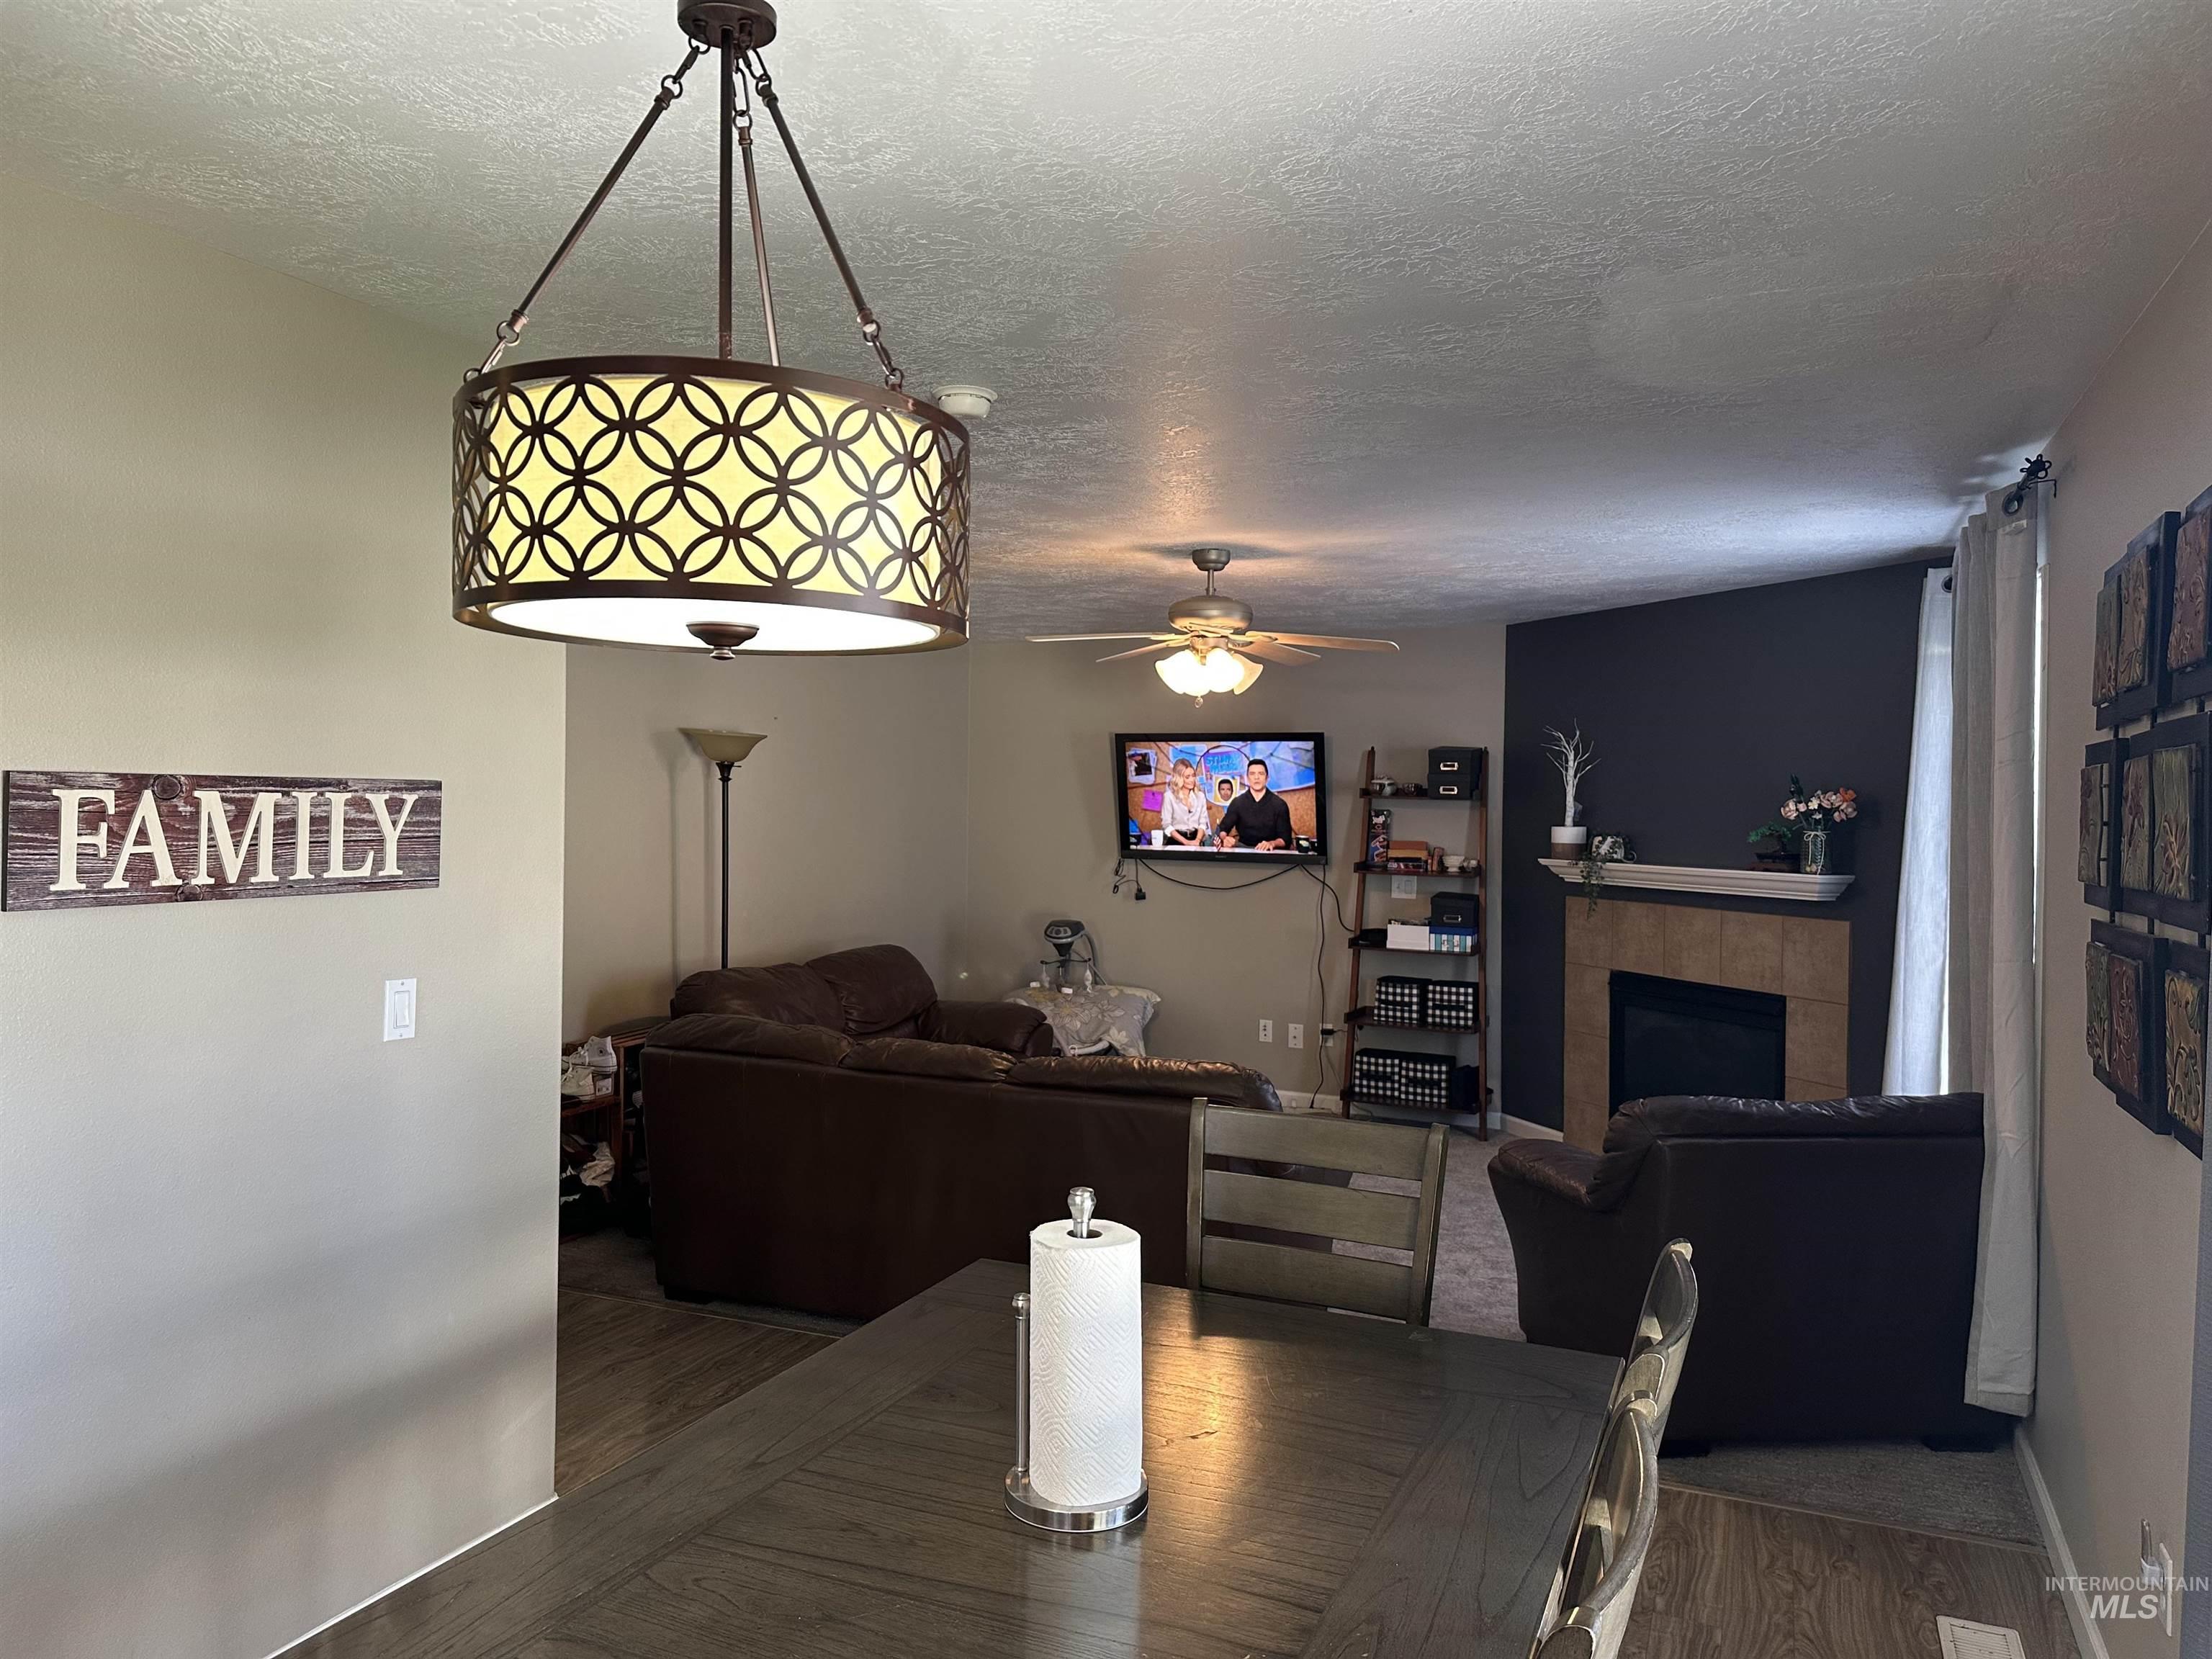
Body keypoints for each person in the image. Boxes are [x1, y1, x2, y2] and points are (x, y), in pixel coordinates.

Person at [1214, 758, 1295, 851]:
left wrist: (1272, 843)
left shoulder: (1280, 805)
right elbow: (1222, 829)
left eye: (1261, 774)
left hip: (1271, 853)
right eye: (1252, 774)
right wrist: (1225, 838)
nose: (1256, 777)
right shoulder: (1237, 803)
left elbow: (1285, 839)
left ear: (1267, 778)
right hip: (1244, 851)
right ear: (1248, 778)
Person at [1159, 757, 1213, 847]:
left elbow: (1203, 824)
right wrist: (1186, 842)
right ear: (1179, 778)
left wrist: (1197, 841)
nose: (1192, 780)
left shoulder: (1200, 797)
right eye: (1187, 777)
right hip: (1176, 841)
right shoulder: (1169, 797)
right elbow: (1166, 826)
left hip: (1196, 840)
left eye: (1193, 776)